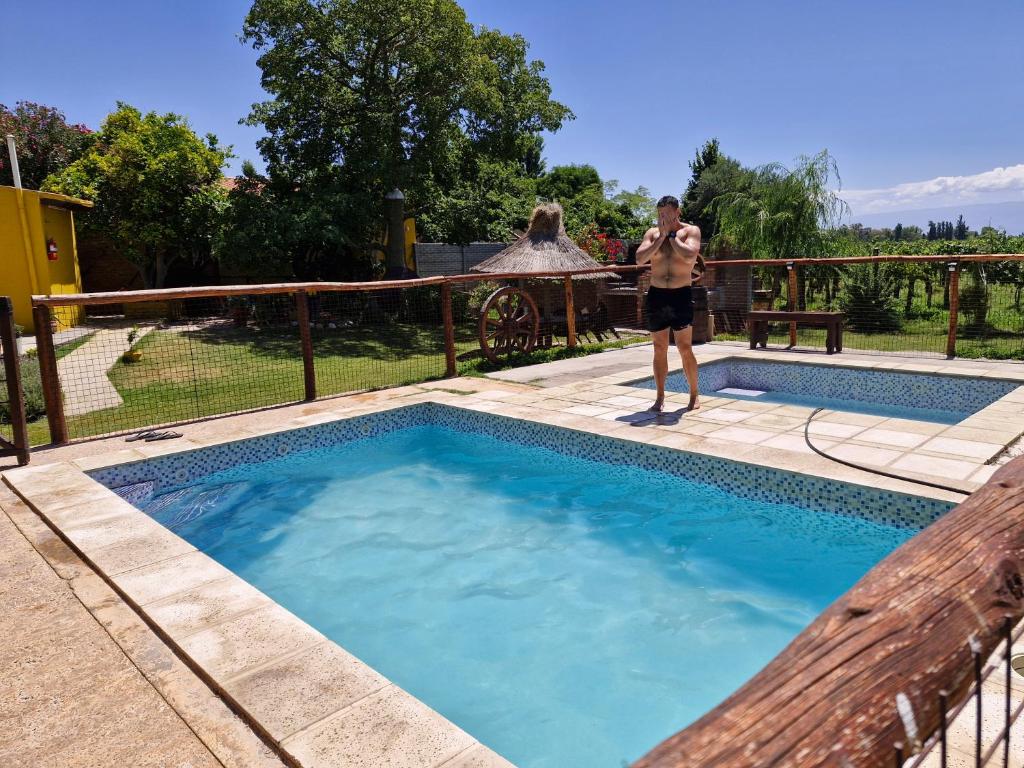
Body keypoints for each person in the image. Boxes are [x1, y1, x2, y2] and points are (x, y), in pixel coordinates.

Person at [635, 195, 701, 412]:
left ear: (677, 212)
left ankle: (693, 395)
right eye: (660, 213)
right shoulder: (652, 234)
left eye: (667, 213)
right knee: (659, 347)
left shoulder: (690, 231)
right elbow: (639, 258)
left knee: (684, 348)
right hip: (657, 296)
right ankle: (660, 397)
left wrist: (671, 237)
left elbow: (690, 255)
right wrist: (660, 238)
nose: (662, 217)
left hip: (680, 295)